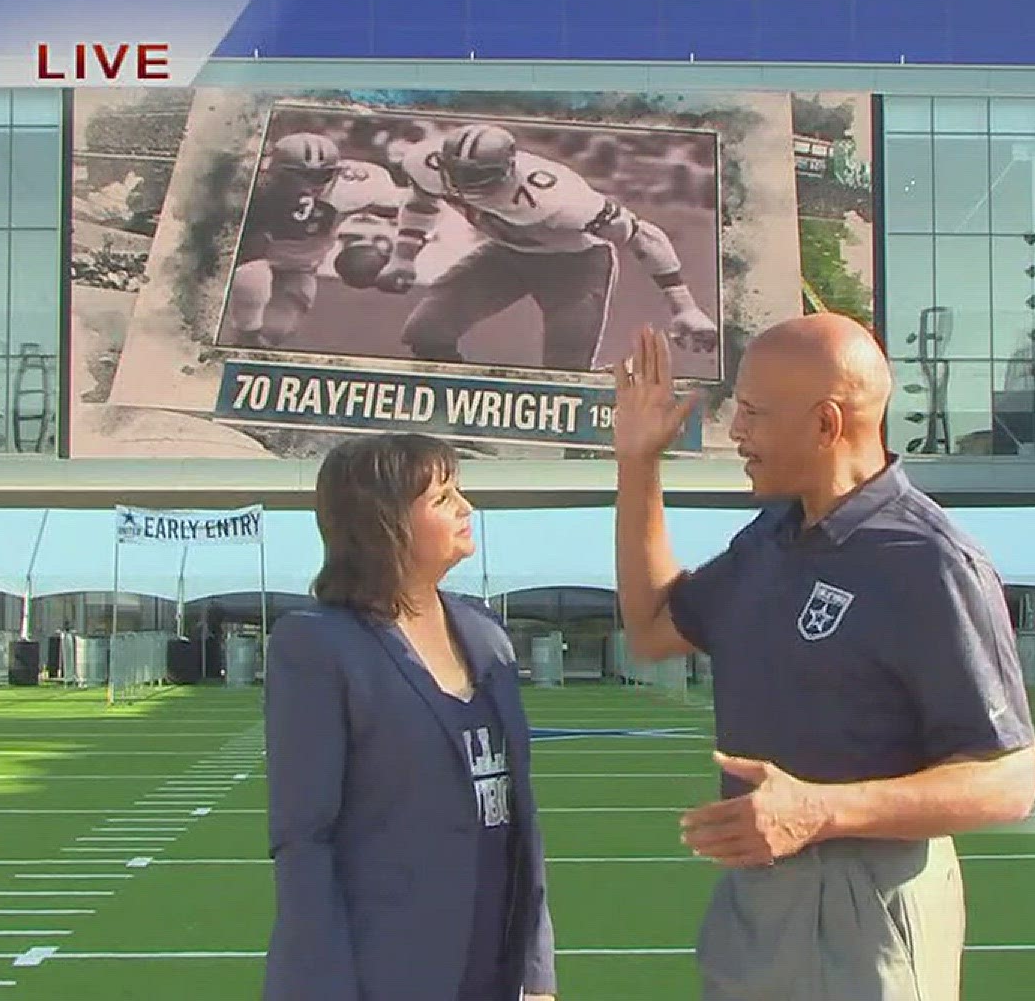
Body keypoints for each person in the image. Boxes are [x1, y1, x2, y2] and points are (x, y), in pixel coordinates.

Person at [610, 315, 1035, 1000]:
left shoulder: (928, 561)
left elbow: (1009, 779)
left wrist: (824, 810)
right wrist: (637, 463)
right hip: (760, 898)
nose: (736, 432)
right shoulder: (774, 536)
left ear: (826, 425)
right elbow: (654, 627)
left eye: (752, 413)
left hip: (869, 902)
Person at [264, 432, 556, 1001]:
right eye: (443, 497)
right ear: (385, 520)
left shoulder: (487, 637)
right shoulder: (317, 646)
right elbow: (304, 839)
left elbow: (523, 825)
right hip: (381, 970)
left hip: (494, 966)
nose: (467, 509)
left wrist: (536, 972)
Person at [372, 121, 719, 371]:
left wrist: (684, 307)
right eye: (458, 176)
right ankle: (450, 415)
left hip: (574, 264)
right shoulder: (426, 164)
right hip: (506, 254)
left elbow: (644, 235)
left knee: (565, 368)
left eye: (478, 178)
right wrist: (403, 256)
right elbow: (420, 203)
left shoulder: (558, 198)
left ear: (510, 168)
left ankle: (576, 447)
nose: (466, 187)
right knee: (426, 331)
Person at [221, 130, 404, 349]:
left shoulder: (354, 186)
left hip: (295, 267)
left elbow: (392, 211)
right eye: (298, 175)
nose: (311, 184)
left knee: (273, 332)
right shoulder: (250, 186)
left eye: (322, 175)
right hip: (234, 258)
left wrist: (385, 256)